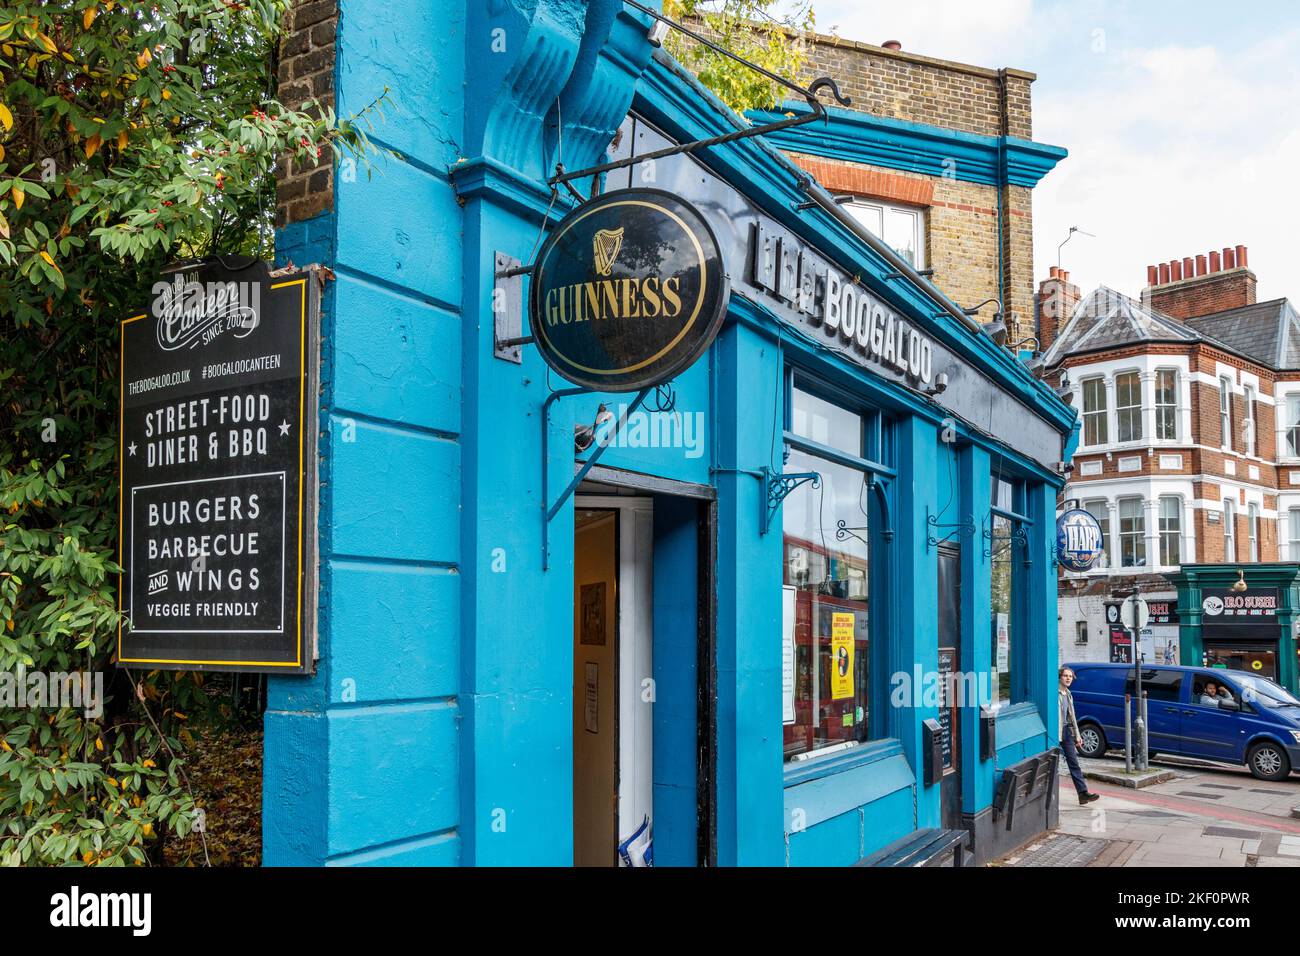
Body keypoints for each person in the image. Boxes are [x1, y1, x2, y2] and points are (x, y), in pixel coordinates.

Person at [1059, 667, 1100, 805]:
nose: (1068, 678)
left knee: (1074, 763)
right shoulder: (1055, 694)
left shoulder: (1068, 694)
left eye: (1070, 676)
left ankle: (1083, 794)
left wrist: (1077, 735)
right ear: (1060, 677)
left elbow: (1072, 717)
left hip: (1065, 731)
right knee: (1051, 764)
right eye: (1065, 676)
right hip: (1055, 731)